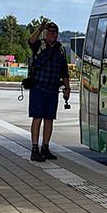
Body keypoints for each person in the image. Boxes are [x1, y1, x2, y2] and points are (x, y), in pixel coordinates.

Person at [27, 21, 71, 162]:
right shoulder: (40, 45)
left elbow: (64, 71)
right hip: (38, 88)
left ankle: (45, 147)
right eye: (50, 31)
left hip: (53, 90)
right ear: (46, 33)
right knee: (37, 118)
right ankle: (35, 149)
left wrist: (67, 88)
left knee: (49, 119)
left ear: (57, 34)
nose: (52, 34)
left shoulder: (61, 50)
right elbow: (30, 41)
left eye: (54, 32)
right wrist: (40, 29)